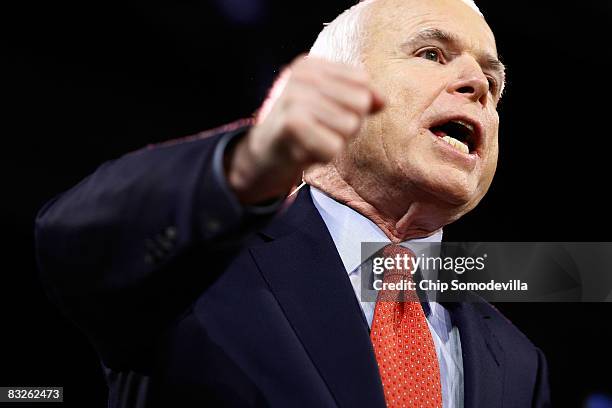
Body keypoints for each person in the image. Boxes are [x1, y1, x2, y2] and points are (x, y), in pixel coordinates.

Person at [35, 0, 551, 406]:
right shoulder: (204, 263)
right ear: (332, 85)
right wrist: (245, 165)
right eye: (431, 54)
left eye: (493, 80)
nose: (477, 85)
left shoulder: (518, 362)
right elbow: (73, 242)